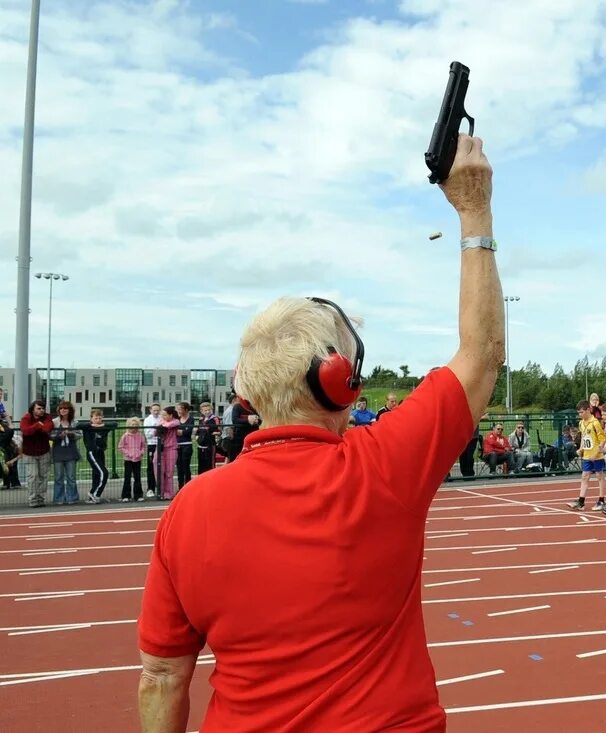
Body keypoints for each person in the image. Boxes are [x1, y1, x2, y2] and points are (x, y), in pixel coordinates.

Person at [137, 133, 503, 732]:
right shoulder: (382, 466)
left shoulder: (188, 509)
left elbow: (161, 677)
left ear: (246, 389)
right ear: (341, 382)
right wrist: (474, 210)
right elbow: (482, 356)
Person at [567, 401, 606, 511]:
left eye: (581, 412)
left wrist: (597, 453)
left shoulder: (595, 423)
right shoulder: (581, 423)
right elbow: (585, 438)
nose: (580, 414)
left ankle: (602, 500)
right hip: (586, 455)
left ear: (588, 410)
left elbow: (603, 439)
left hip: (596, 455)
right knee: (585, 476)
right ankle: (581, 501)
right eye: (578, 413)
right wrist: (581, 449)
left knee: (599, 476)